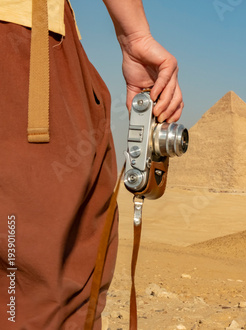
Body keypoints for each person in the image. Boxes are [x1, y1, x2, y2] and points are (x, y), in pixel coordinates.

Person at [0, 0, 183, 328]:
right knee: (32, 292)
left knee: (70, 286)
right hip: (22, 39)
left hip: (49, 39)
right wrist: (135, 36)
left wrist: (134, 40)